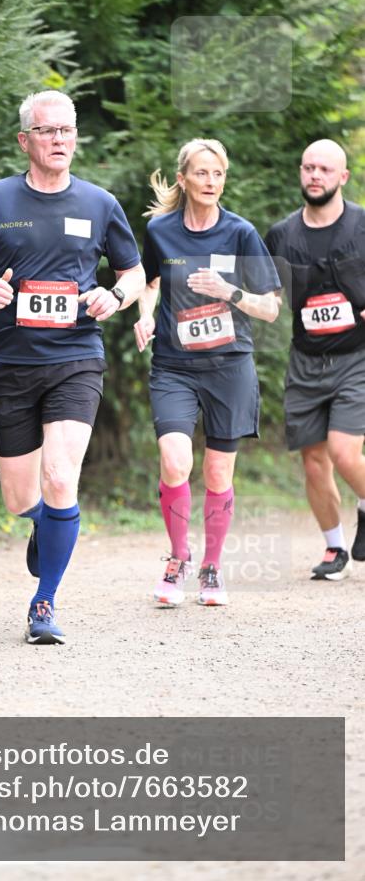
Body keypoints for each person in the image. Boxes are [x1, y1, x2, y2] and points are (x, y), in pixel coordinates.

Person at [0, 90, 144, 643]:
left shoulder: (100, 204)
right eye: (48, 131)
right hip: (11, 361)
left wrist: (117, 296)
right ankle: (44, 524)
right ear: (25, 140)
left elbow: (132, 273)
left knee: (61, 475)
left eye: (67, 130)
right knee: (19, 498)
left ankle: (43, 604)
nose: (60, 139)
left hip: (75, 358)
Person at [134, 138, 280, 607]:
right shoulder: (160, 230)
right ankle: (177, 560)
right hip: (175, 365)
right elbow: (149, 282)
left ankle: (211, 568)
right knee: (176, 459)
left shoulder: (241, 233)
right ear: (183, 178)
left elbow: (272, 308)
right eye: (201, 173)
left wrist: (229, 292)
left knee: (218, 473)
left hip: (228, 366)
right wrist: (144, 314)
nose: (211, 182)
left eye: (218, 174)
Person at [265, 139, 365, 581]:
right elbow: (269, 300)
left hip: (356, 356)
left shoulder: (363, 224)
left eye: (325, 169)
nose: (315, 176)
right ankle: (334, 548)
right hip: (305, 360)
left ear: (342, 177)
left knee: (345, 453)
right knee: (314, 460)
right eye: (308, 168)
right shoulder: (281, 235)